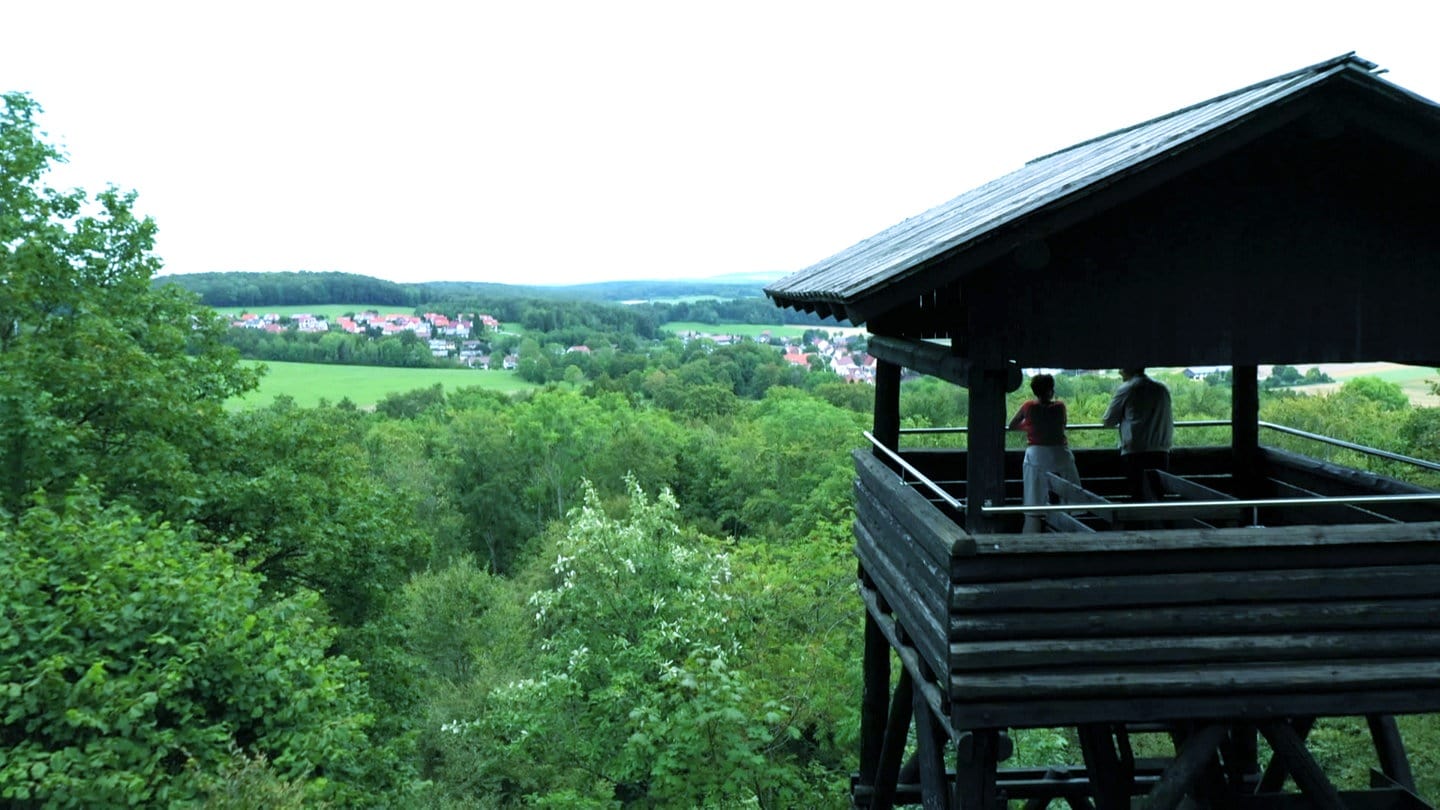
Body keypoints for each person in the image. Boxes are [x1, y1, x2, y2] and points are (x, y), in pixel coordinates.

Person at [1008, 373, 1081, 533]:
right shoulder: (1060, 407)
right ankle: (1070, 526)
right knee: (1068, 494)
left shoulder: (1028, 407)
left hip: (1037, 456)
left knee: (1033, 496)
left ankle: (1032, 527)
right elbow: (1062, 426)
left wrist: (1028, 426)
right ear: (1051, 390)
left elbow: (1012, 425)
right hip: (1059, 454)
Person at [1101, 367, 1174, 503]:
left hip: (1135, 453)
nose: (1119, 371)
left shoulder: (1127, 389)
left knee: (1138, 498)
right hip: (1162, 452)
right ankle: (1156, 523)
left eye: (1121, 368)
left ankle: (1142, 524)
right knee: (1157, 497)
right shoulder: (1162, 389)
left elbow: (1108, 421)